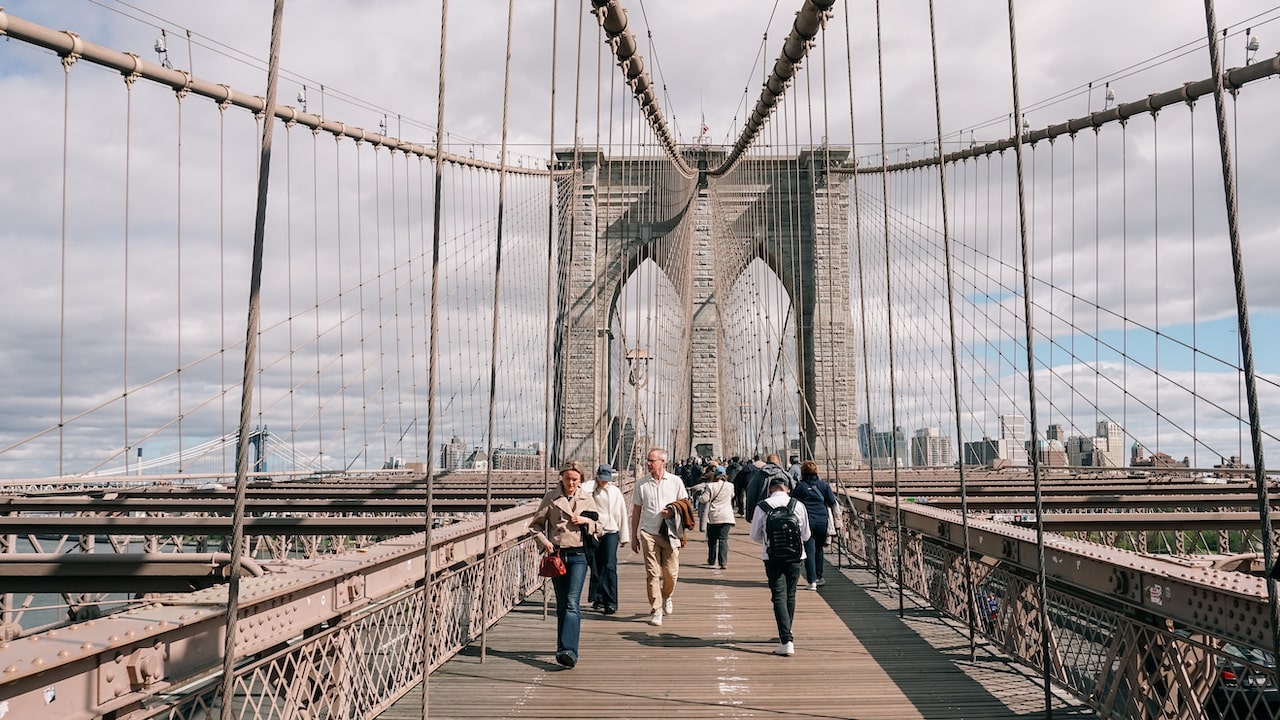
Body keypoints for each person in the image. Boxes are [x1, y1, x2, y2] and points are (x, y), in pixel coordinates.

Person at [528, 462, 601, 668]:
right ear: (561, 477)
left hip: (579, 555)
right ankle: (563, 650)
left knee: (571, 602)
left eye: (575, 480)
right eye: (568, 478)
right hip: (557, 555)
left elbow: (600, 527)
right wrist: (545, 543)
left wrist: (586, 522)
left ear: (581, 481)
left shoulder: (587, 499)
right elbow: (535, 526)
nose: (571, 483)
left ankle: (570, 650)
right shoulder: (551, 498)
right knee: (561, 605)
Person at [749, 473, 811, 656]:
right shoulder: (797, 505)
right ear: (787, 489)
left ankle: (786, 639)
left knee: (778, 596)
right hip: (796, 557)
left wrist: (770, 541)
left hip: (772, 557)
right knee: (790, 595)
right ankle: (787, 634)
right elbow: (806, 535)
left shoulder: (762, 506)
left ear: (770, 490)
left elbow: (754, 536)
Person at [630, 447, 689, 627]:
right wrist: (634, 536)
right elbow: (636, 510)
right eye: (647, 460)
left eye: (651, 461)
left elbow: (685, 504)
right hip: (648, 533)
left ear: (662, 462)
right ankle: (656, 609)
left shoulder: (675, 481)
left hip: (670, 533)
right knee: (652, 573)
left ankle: (667, 596)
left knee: (670, 573)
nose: (648, 463)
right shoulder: (641, 484)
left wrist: (672, 511)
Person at [587, 463, 629, 614]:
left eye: (606, 479)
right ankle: (598, 598)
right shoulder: (591, 490)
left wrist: (624, 536)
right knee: (596, 566)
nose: (604, 482)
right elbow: (581, 489)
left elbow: (622, 513)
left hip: (611, 531)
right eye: (601, 478)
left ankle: (611, 602)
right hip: (595, 531)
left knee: (610, 566)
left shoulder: (616, 491)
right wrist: (594, 482)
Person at [792, 460, 838, 590]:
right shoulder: (824, 485)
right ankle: (819, 577)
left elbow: (793, 502)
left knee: (809, 550)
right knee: (819, 548)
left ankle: (812, 581)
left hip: (807, 521)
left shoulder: (800, 487)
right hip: (822, 521)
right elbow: (831, 502)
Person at [690, 465, 736, 568]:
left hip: (714, 516)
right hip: (727, 516)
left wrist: (697, 495)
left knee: (712, 540)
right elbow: (732, 496)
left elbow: (704, 499)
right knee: (724, 539)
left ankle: (711, 559)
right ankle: (723, 562)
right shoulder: (730, 486)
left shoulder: (711, 486)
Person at [745, 453, 790, 522]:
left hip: (764, 510)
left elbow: (751, 494)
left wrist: (750, 515)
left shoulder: (759, 475)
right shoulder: (786, 475)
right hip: (784, 511)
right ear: (778, 462)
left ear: (767, 462)